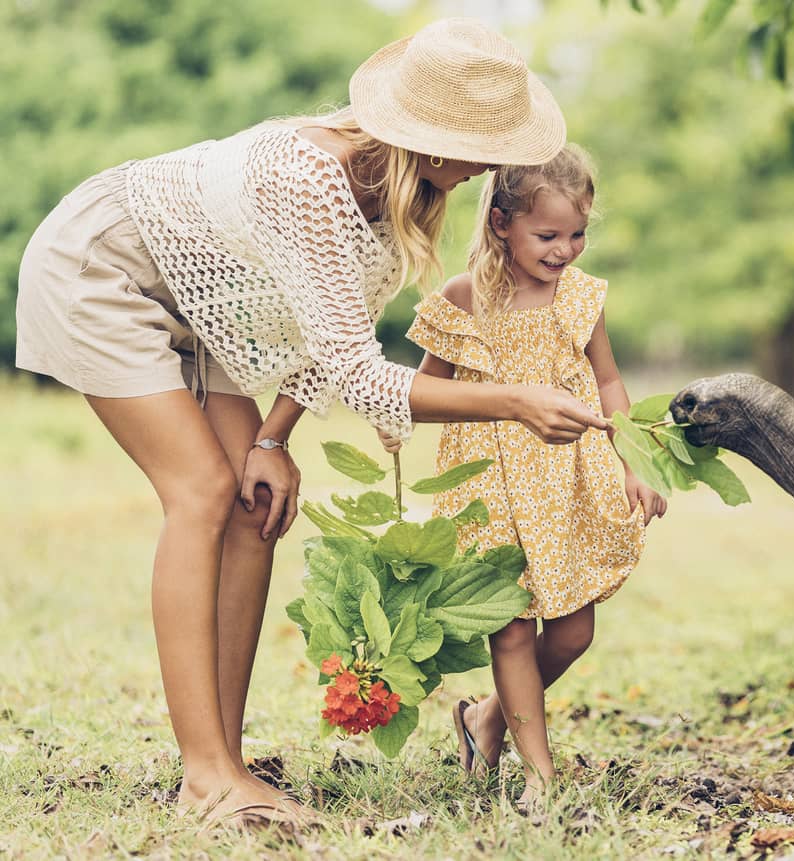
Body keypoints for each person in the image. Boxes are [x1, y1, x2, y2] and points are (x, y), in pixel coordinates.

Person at [11, 18, 610, 830]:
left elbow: (325, 341)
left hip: (205, 305)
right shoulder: (309, 176)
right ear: (429, 141)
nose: (487, 172)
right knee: (201, 491)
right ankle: (206, 778)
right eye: (480, 151)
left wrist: (273, 437)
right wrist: (513, 397)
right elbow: (364, 379)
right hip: (106, 268)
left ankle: (223, 755)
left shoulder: (401, 198)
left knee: (256, 510)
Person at [395, 144, 663, 808]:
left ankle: (484, 717)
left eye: (578, 233)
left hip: (564, 482)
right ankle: (537, 773)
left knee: (572, 631)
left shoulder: (580, 297)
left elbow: (608, 381)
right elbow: (422, 393)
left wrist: (635, 461)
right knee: (510, 626)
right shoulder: (465, 299)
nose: (565, 249)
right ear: (501, 225)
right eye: (548, 234)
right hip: (486, 483)